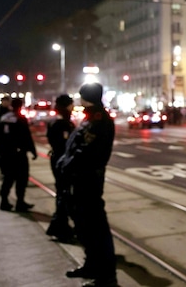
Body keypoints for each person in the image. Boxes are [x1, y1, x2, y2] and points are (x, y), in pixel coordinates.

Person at [58, 83, 118, 287]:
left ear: (86, 97)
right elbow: (76, 146)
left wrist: (67, 164)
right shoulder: (90, 117)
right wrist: (65, 161)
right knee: (84, 227)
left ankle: (106, 276)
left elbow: (87, 151)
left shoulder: (99, 120)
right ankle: (92, 265)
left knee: (96, 228)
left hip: (88, 181)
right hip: (79, 180)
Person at [45, 94, 76, 242]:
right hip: (63, 160)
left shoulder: (55, 121)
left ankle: (60, 225)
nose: (73, 106)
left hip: (57, 158)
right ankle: (60, 226)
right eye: (71, 104)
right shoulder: (63, 123)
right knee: (64, 193)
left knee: (62, 192)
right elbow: (65, 144)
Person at [0, 98, 37, 212]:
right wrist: (32, 150)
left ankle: (4, 201)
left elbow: (0, 135)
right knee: (21, 179)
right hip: (19, 154)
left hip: (7, 154)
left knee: (8, 178)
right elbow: (27, 136)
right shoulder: (20, 119)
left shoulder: (4, 118)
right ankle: (20, 202)